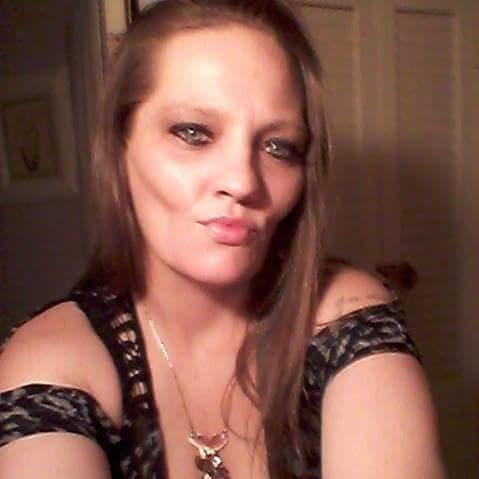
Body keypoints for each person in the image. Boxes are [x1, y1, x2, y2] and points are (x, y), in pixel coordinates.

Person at [0, 1, 447, 478]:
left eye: (278, 146)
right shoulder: (52, 363)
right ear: (120, 146)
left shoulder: (342, 312)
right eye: (194, 133)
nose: (242, 181)